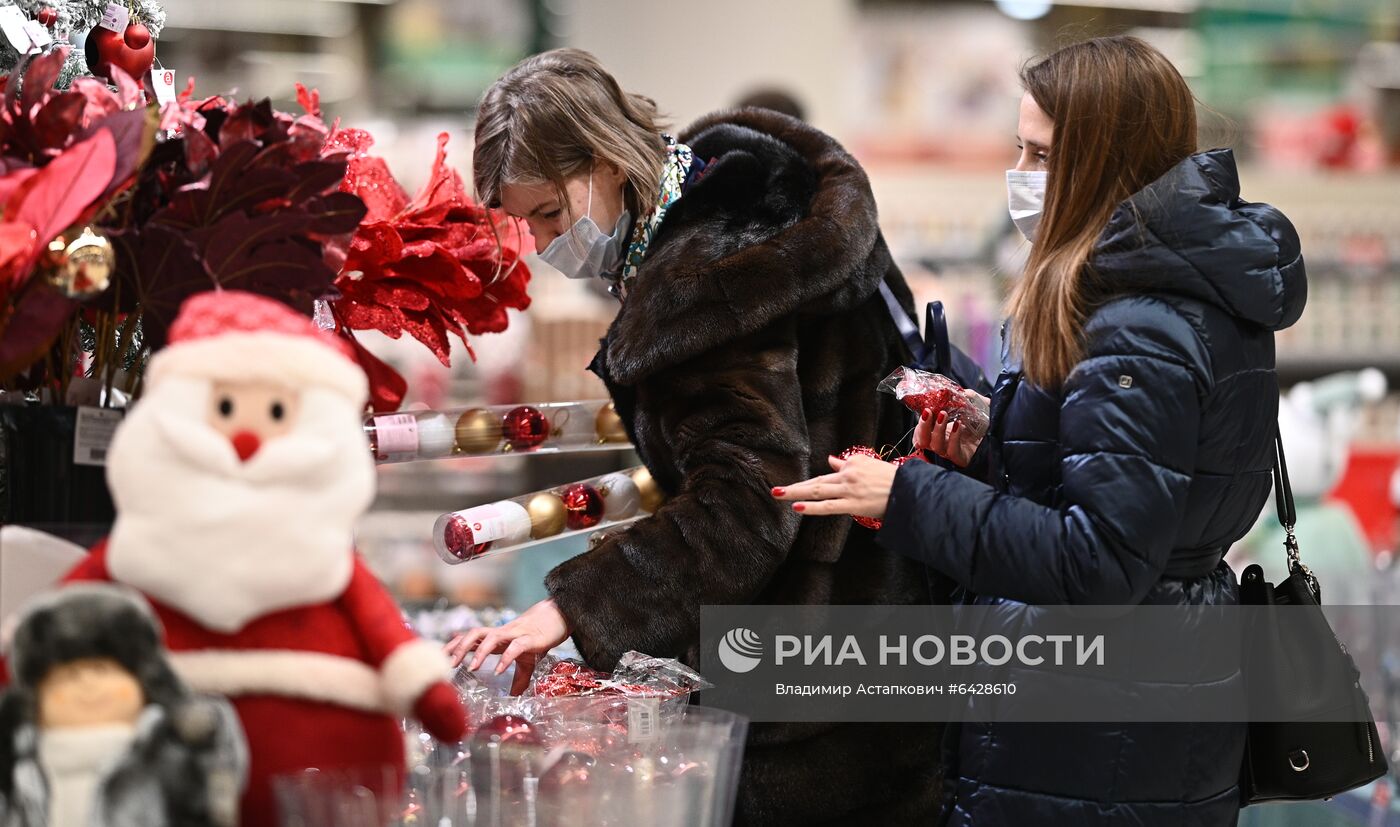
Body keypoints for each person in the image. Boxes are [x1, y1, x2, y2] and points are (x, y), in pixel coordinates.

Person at [775, 35, 1307, 826]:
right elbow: (1130, 484)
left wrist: (909, 496)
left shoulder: (1135, 323)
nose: (1021, 177)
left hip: (1102, 733)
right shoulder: (1152, 290)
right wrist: (993, 444)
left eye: (1043, 154)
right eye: (1019, 148)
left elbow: (1105, 559)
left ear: (1103, 162)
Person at [447, 49, 944, 824]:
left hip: (804, 692)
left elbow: (746, 503)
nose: (545, 241)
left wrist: (574, 608)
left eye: (548, 213)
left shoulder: (704, 288)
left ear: (606, 163)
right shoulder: (762, 203)